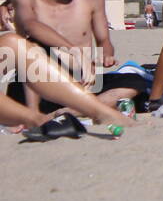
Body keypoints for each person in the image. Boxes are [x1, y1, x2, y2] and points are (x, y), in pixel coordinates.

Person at [7, 0, 137, 114]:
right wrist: (73, 49)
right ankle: (35, 115)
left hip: (82, 81)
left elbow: (104, 41)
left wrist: (106, 55)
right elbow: (30, 25)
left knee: (135, 81)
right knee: (34, 46)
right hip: (37, 83)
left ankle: (73, 110)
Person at [0, 31, 138, 132]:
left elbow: (103, 40)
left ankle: (102, 113)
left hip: (80, 76)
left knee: (12, 42)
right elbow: (30, 24)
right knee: (31, 47)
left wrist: (101, 57)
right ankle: (36, 119)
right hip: (46, 81)